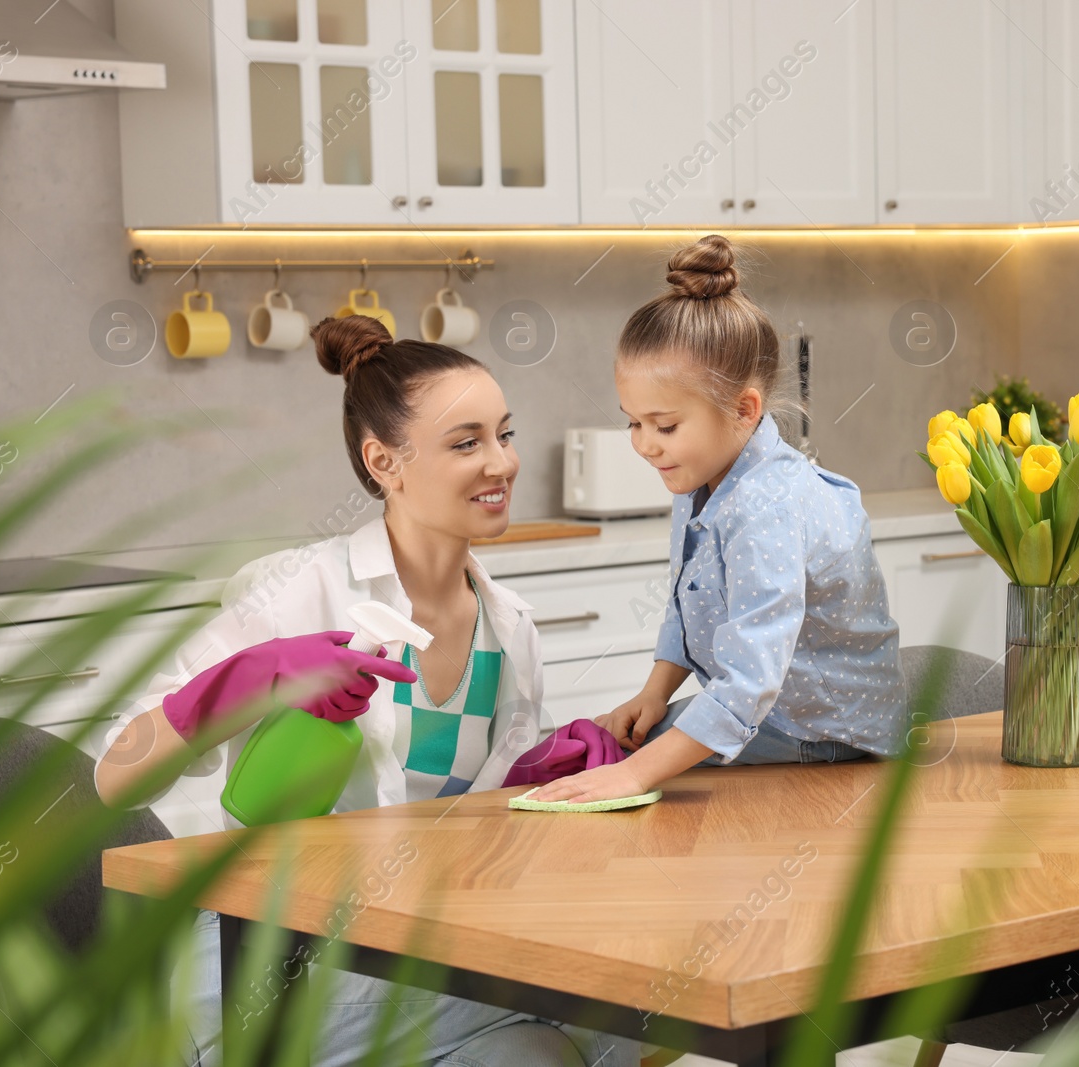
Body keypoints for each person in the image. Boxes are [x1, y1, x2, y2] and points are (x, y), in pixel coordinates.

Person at [95, 315, 636, 1067]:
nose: (502, 463)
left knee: (549, 1046)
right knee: (612, 993)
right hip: (263, 962)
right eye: (465, 442)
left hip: (418, 948)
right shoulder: (298, 589)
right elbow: (116, 773)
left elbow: (467, 840)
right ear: (384, 461)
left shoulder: (511, 631)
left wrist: (540, 782)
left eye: (504, 435)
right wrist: (250, 677)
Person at [533, 234, 908, 805]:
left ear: (743, 410)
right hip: (781, 714)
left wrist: (635, 774)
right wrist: (655, 692)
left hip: (826, 733)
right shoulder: (704, 469)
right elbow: (690, 601)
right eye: (633, 422)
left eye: (663, 425)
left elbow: (750, 682)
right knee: (605, 743)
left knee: (600, 754)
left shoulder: (764, 507)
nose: (644, 445)